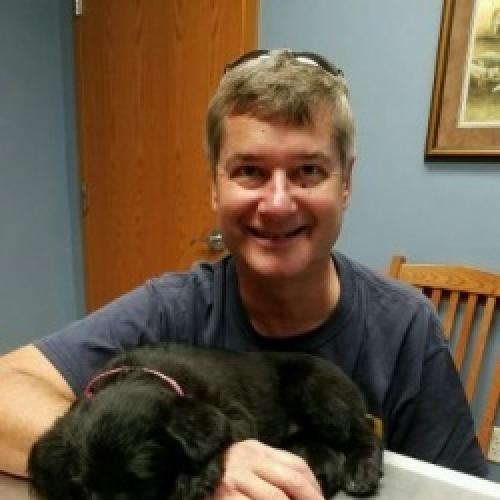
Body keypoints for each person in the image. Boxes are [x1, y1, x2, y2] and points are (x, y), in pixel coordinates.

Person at [0, 49, 487, 496]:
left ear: (346, 184)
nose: (277, 204)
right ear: (215, 187)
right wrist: (214, 462)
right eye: (249, 171)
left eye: (309, 171)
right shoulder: (170, 309)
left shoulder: (405, 327)